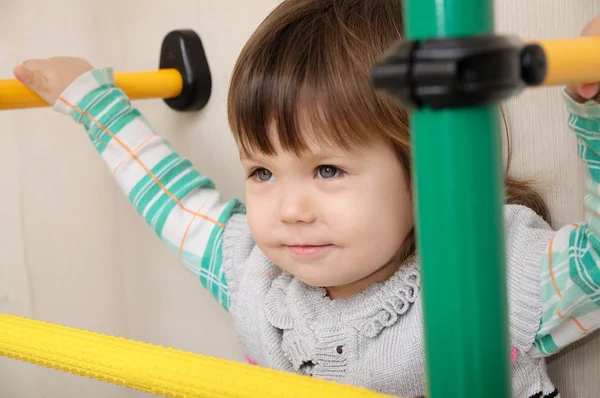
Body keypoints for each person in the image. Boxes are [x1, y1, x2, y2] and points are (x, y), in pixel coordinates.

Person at [12, 1, 600, 397]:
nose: (288, 209)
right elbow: (171, 199)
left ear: (425, 171)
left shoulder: (493, 273)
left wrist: (593, 108)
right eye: (262, 172)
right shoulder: (254, 272)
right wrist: (91, 101)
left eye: (326, 169)